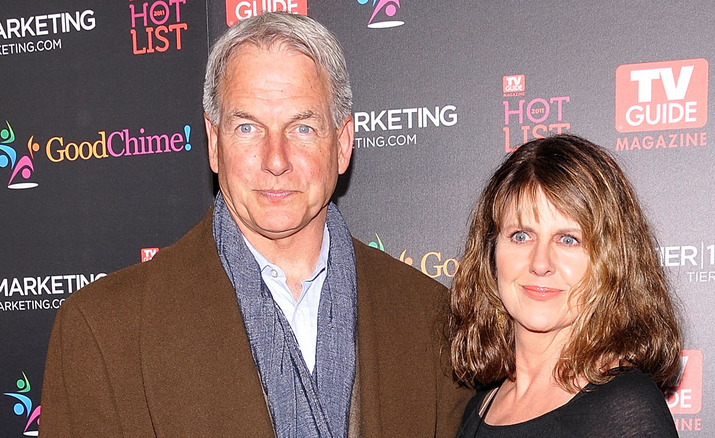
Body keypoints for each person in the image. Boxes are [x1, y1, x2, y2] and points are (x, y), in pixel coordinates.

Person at [40, 12, 470, 437]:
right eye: (248, 127)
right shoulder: (102, 331)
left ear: (342, 145)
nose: (276, 160)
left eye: (302, 128)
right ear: (213, 143)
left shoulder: (434, 320)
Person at [448, 134, 682, 437]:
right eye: (521, 235)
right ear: (490, 252)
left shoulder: (623, 407)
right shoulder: (479, 407)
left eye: (568, 239)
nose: (540, 262)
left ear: (610, 261)